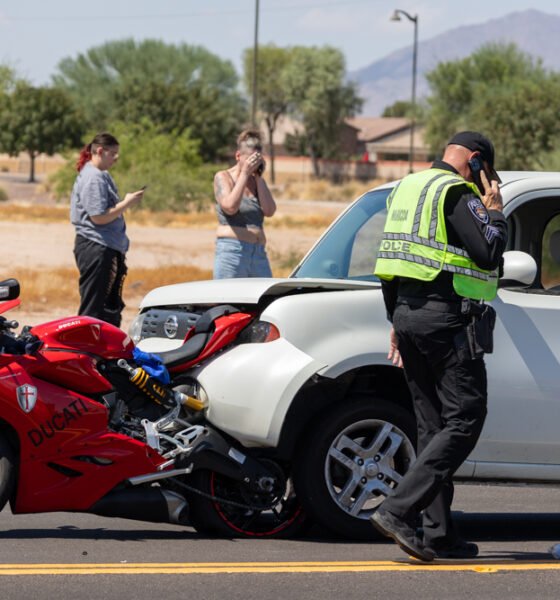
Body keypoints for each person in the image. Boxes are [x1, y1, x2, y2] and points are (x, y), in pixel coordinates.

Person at [370, 131, 508, 561]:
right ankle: (397, 509)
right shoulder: (457, 191)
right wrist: (496, 213)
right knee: (466, 417)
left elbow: (392, 261)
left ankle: (438, 534)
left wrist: (395, 320)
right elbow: (488, 251)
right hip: (445, 319)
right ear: (477, 161)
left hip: (408, 315)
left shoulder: (408, 188)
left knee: (432, 428)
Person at [70, 132, 145, 327]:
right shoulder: (93, 177)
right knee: (94, 309)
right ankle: (88, 351)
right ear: (100, 151)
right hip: (96, 246)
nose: (115, 159)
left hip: (104, 245)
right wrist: (127, 203)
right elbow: (98, 217)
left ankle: (104, 352)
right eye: (113, 154)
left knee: (108, 307)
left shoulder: (99, 175)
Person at [213, 129, 276, 278]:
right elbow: (230, 207)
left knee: (263, 299)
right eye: (250, 159)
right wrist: (245, 174)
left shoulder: (258, 182)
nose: (254, 163)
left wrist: (259, 178)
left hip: (258, 253)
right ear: (238, 156)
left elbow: (269, 211)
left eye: (257, 159)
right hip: (232, 252)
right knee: (228, 300)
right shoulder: (223, 177)